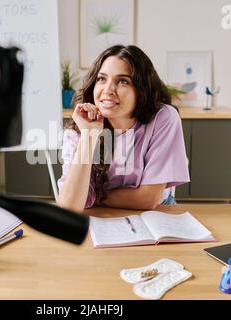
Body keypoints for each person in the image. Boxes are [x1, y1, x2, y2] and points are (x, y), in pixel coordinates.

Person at [56, 45, 190, 213]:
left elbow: (149, 199)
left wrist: (93, 197)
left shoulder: (163, 118)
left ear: (142, 89)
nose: (108, 90)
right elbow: (69, 208)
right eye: (101, 79)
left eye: (122, 81)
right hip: (100, 215)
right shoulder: (79, 128)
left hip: (155, 213)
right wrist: (89, 137)